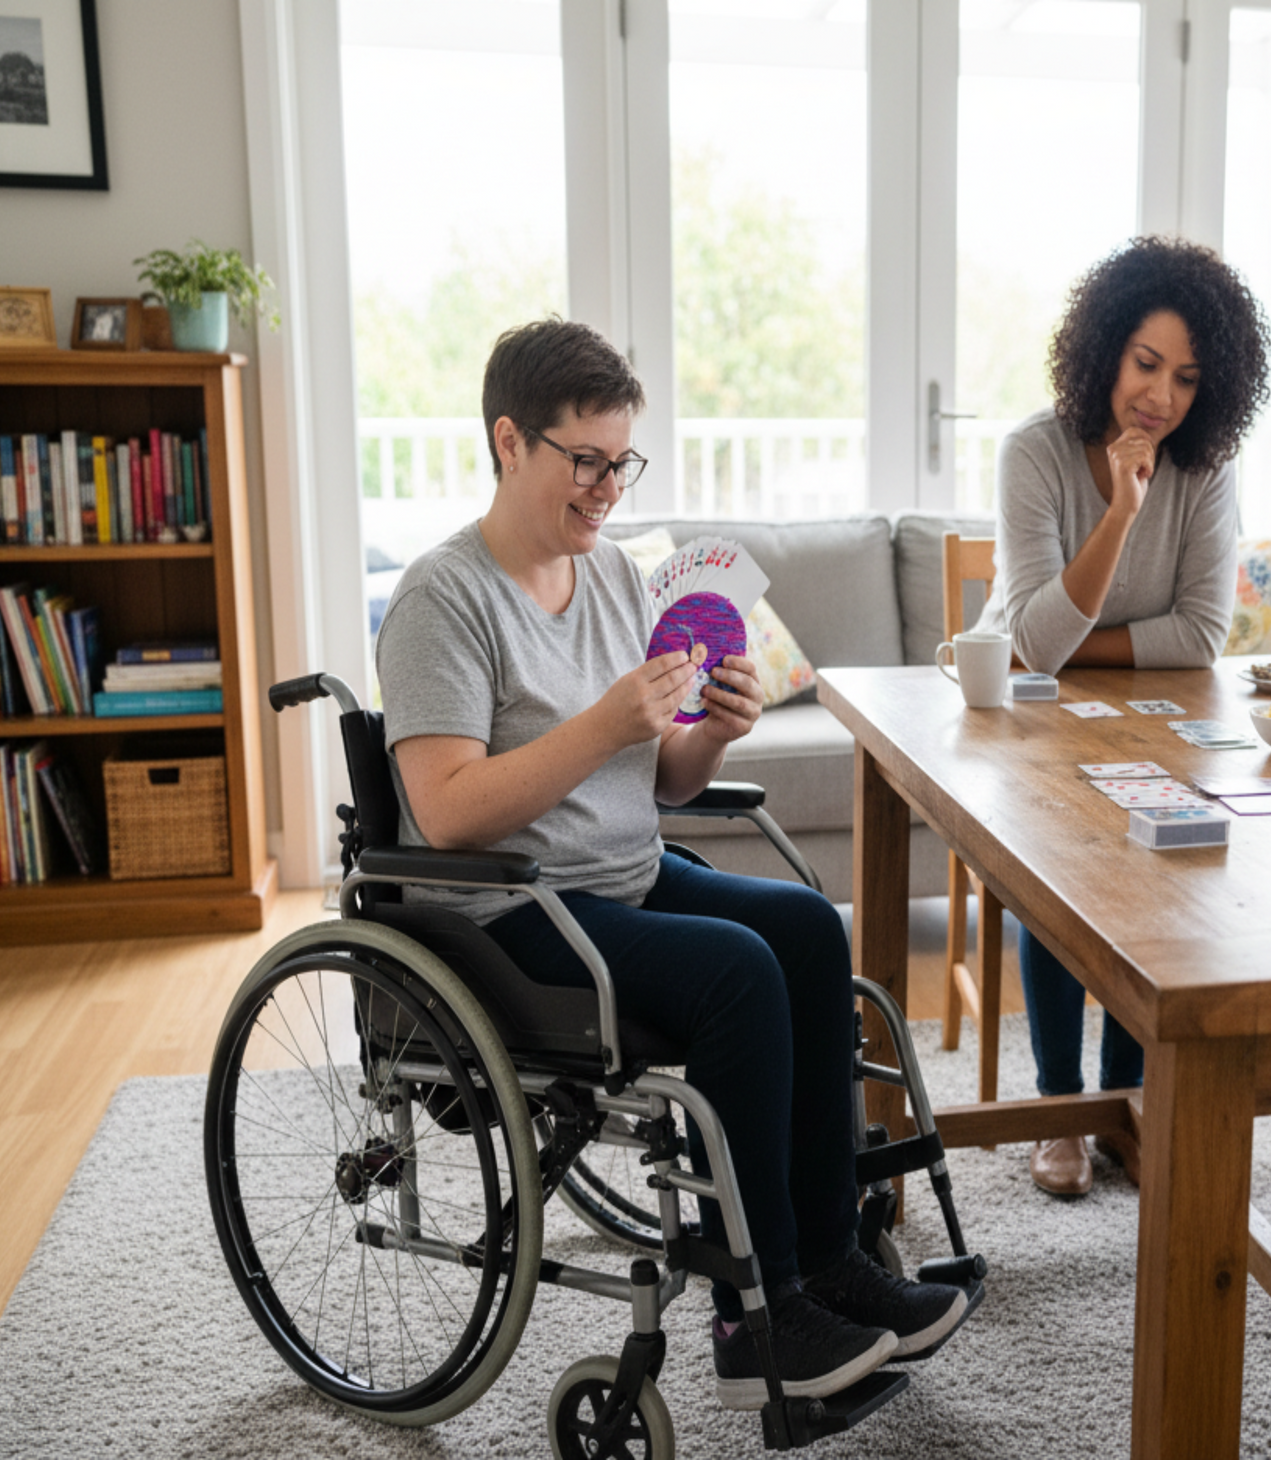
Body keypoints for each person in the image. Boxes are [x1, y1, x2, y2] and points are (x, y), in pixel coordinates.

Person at [375, 319, 969, 1409]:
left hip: (623, 874)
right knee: (737, 971)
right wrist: (607, 722)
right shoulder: (440, 599)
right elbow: (447, 811)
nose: (608, 487)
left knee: (803, 927)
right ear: (511, 442)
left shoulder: (609, 578)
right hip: (513, 913)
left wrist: (713, 733)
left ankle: (831, 1258)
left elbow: (662, 785)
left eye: (621, 460)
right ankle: (756, 1312)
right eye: (586, 460)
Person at [976, 236, 1271, 1197]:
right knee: (1063, 863)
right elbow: (1031, 653)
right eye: (1146, 363)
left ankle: (1126, 1101)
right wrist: (1118, 517)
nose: (1161, 397)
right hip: (1024, 713)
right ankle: (1062, 1106)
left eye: (1187, 377)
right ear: (1104, 350)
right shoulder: (1034, 452)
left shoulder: (1208, 468)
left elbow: (1201, 636)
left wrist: (1064, 635)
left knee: (1177, 858)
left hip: (1134, 707)